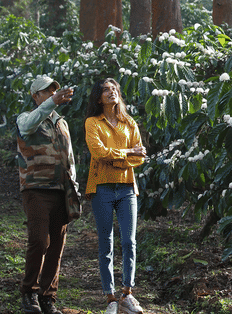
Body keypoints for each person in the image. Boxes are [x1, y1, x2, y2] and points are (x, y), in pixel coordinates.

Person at [16, 75, 79, 314]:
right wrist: (52, 102)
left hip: (61, 190)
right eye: (47, 91)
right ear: (35, 96)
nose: (53, 94)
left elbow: (70, 157)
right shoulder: (26, 118)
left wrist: (74, 186)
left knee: (57, 246)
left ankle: (47, 297)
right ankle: (29, 292)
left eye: (55, 90)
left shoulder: (61, 123)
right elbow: (28, 126)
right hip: (36, 189)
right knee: (39, 241)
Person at [85, 78, 147, 314]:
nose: (111, 92)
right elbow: (98, 152)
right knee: (106, 242)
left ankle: (127, 294)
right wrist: (127, 152)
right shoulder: (92, 122)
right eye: (105, 90)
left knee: (129, 242)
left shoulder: (128, 122)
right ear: (98, 98)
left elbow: (140, 157)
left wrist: (118, 158)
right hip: (101, 187)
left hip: (126, 187)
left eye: (114, 89)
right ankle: (110, 297)